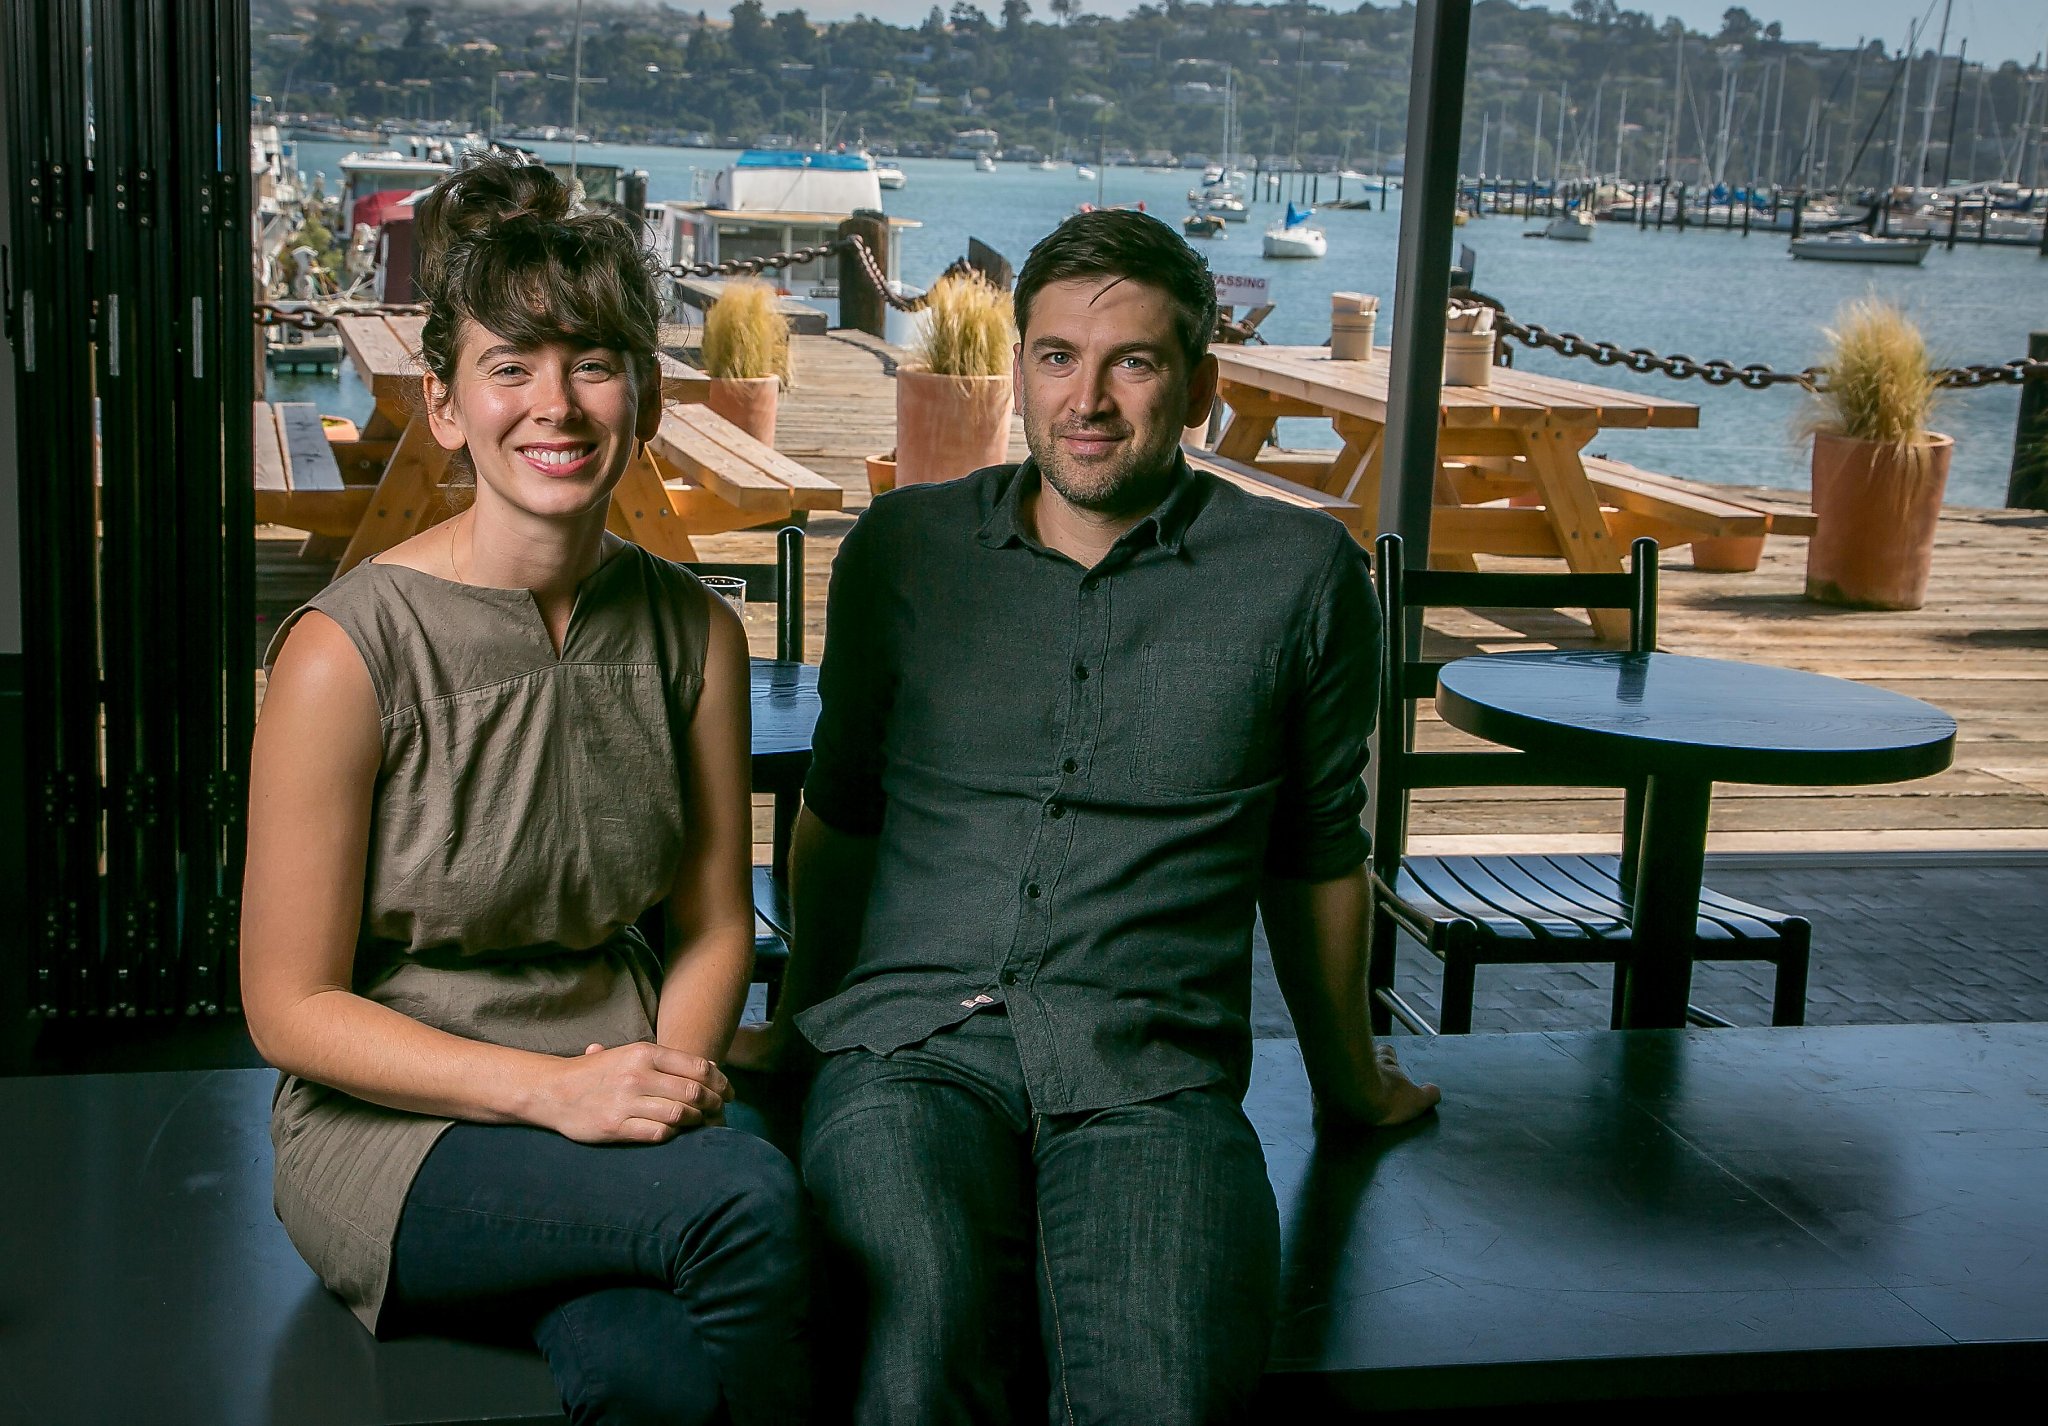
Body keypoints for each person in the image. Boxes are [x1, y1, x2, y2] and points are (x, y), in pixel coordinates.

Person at [734, 208, 1440, 1422]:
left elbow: (1319, 854)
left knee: (1158, 1384)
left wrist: (1350, 1083)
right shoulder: (903, 552)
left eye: (1132, 362)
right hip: (906, 1053)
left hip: (1151, 1073)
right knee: (922, 1324)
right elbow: (839, 819)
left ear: (1200, 385)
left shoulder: (1298, 579)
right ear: (1020, 372)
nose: (1087, 400)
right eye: (1056, 356)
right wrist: (797, 1031)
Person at [241, 153, 808, 1426]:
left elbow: (714, 919)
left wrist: (660, 1080)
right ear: (446, 404)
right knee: (754, 1202)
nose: (555, 406)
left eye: (593, 363)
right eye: (510, 368)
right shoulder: (346, 651)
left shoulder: (693, 634)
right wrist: (555, 1096)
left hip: (615, 1087)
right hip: (397, 1134)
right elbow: (286, 1008)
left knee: (656, 1369)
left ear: (645, 395)